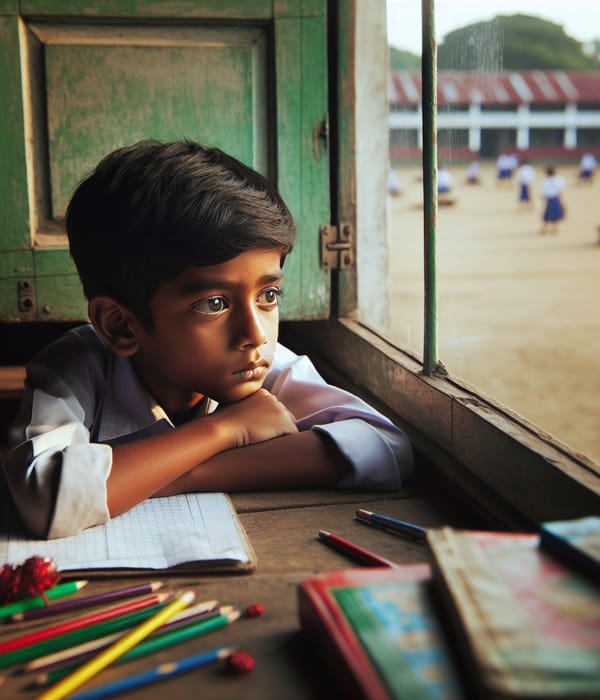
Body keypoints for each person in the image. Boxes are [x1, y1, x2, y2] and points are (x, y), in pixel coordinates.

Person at [1, 140, 414, 539]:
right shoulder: (75, 367)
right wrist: (225, 431)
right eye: (214, 304)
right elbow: (46, 496)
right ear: (120, 326)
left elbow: (384, 446)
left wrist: (166, 477)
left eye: (268, 296)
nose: (254, 333)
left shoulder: (264, 365)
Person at [540, 166, 566, 234]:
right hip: (555, 199)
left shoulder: (545, 182)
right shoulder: (558, 180)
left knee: (547, 215)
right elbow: (560, 190)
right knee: (555, 215)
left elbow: (544, 193)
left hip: (549, 199)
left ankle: (544, 229)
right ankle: (555, 229)